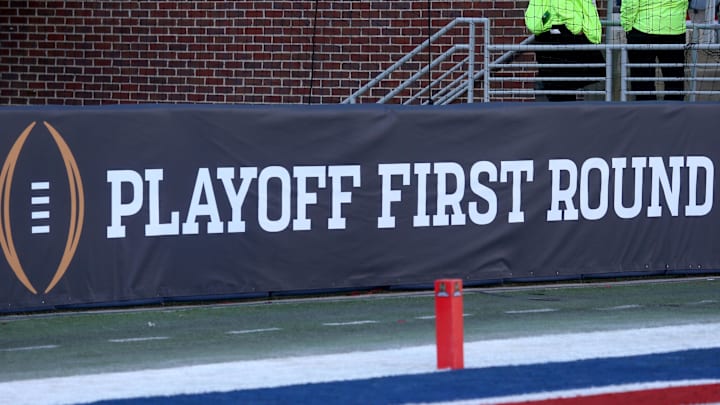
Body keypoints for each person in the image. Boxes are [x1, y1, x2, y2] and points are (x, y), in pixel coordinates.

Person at [525, 0, 606, 101]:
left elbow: (535, 24)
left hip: (562, 41)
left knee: (562, 87)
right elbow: (535, 24)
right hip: (560, 41)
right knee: (561, 87)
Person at [621, 0, 688, 100]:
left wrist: (627, 26)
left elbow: (630, 4)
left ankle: (646, 113)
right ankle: (674, 113)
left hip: (642, 28)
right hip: (675, 29)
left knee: (642, 82)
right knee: (674, 81)